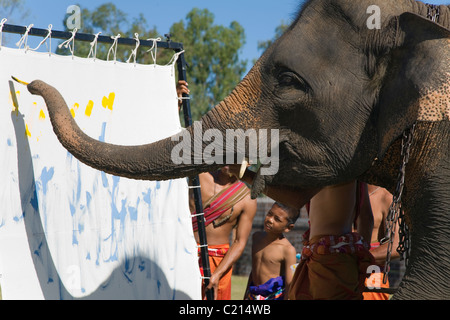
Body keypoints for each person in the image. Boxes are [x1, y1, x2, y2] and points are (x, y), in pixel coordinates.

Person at [230, 166, 374, 300]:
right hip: (338, 259)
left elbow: (295, 199)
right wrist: (358, 258)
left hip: (330, 261)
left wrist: (245, 175)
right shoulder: (355, 168)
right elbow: (366, 218)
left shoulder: (332, 163)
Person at [190, 167, 257, 300]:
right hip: (187, 253)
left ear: (246, 162)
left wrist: (217, 274)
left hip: (219, 262)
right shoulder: (198, 176)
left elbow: (239, 242)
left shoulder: (247, 198)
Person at [244, 202, 299, 300]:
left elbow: (289, 285)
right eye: (269, 214)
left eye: (277, 219)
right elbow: (254, 271)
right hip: (253, 295)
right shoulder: (256, 237)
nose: (270, 219)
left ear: (288, 228)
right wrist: (246, 295)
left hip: (274, 297)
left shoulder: (288, 250)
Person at [362, 184, 398, 300]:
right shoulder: (342, 191)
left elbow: (396, 246)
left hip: (371, 277)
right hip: (338, 271)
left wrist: (359, 258)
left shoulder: (386, 197)